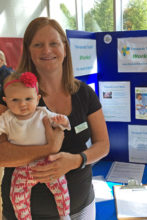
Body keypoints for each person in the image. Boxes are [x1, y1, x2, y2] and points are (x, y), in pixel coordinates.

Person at [0, 17, 110, 220]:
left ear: (65, 48)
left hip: (81, 208)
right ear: (28, 51)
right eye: (38, 45)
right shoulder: (13, 94)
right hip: (25, 213)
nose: (47, 51)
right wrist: (47, 149)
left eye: (54, 43)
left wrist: (76, 160)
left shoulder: (84, 93)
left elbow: (103, 145)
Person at [1, 71, 71, 220]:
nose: (22, 104)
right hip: (22, 165)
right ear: (6, 101)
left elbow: (62, 123)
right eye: (15, 100)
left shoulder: (43, 113)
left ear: (38, 99)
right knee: (17, 195)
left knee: (61, 186)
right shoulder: (6, 119)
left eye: (28, 98)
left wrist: (63, 121)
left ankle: (65, 215)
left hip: (47, 162)